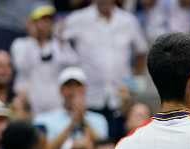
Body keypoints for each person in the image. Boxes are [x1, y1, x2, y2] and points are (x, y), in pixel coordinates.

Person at [61, 0, 148, 138]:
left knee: (118, 143)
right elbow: (60, 42)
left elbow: (141, 51)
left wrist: (133, 79)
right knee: (93, 142)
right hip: (89, 95)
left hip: (120, 98)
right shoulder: (78, 19)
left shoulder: (128, 21)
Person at [10, 3, 78, 117]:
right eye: (41, 20)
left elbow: (73, 64)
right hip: (31, 105)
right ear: (32, 23)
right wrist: (34, 40)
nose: (45, 25)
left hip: (57, 103)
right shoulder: (21, 44)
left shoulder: (59, 44)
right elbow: (22, 66)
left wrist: (61, 41)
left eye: (48, 21)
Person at [35, 67, 109, 149]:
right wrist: (72, 124)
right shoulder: (45, 119)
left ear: (84, 89)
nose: (73, 90)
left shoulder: (99, 119)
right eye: (69, 86)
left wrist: (83, 120)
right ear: (61, 90)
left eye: (77, 86)